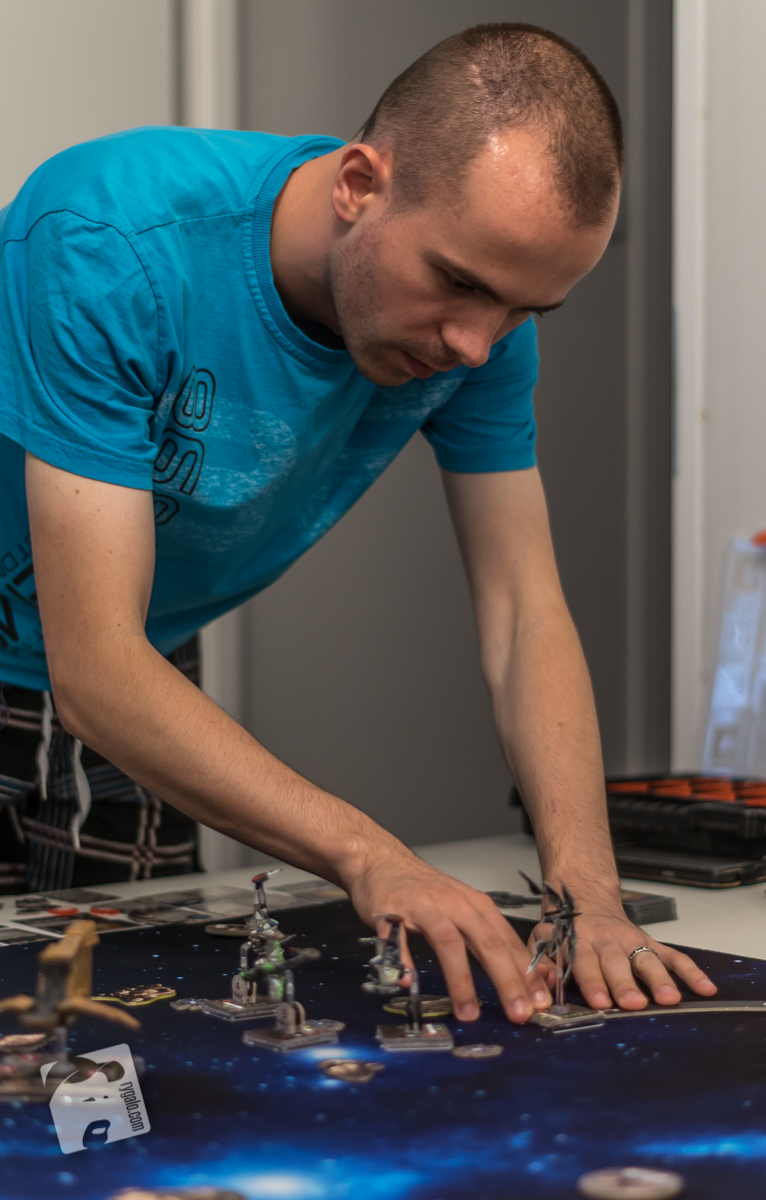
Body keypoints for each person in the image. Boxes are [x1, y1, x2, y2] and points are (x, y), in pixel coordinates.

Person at [0, 22, 716, 1023]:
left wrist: (586, 894)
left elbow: (523, 611)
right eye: (458, 282)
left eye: (523, 310)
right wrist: (371, 855)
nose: (476, 344)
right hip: (104, 664)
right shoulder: (107, 241)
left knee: (122, 1032)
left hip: (140, 668)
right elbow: (96, 668)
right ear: (357, 185)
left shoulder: (481, 335)